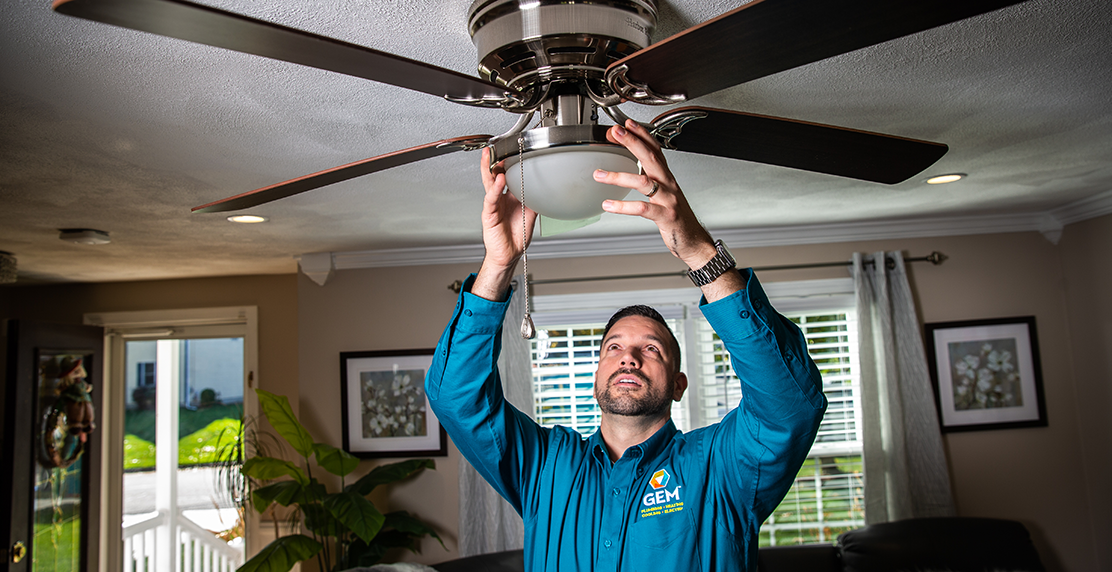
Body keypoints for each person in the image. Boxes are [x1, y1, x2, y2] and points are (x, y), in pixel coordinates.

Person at [427, 120, 828, 571]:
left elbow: (789, 407)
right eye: (613, 348)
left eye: (651, 349)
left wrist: (697, 250)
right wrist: (500, 264)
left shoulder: (721, 468)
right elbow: (456, 399)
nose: (629, 358)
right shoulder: (546, 468)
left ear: (679, 385)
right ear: (597, 373)